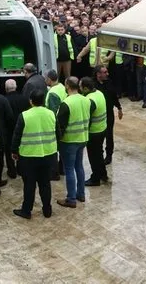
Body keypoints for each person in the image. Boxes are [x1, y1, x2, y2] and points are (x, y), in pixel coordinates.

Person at [11, 89, 57, 219]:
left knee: (29, 185)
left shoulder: (24, 115)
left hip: (28, 157)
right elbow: (57, 133)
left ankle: (26, 210)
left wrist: (14, 151)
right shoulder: (51, 114)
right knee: (45, 184)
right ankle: (47, 210)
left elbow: (17, 136)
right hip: (48, 154)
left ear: (31, 101)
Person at [56, 77, 94, 208]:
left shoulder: (66, 103)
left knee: (69, 169)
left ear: (67, 86)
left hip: (69, 141)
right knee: (79, 166)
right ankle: (81, 194)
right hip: (83, 138)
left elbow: (60, 125)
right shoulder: (86, 100)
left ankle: (71, 198)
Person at [80, 77, 108, 186]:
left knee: (93, 156)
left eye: (81, 87)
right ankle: (103, 174)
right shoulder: (99, 93)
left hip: (94, 132)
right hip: (102, 128)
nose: (80, 88)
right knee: (99, 153)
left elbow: (88, 119)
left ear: (86, 88)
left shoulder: (89, 101)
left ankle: (95, 178)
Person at [94, 65, 122, 165]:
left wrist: (119, 108)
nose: (107, 74)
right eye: (105, 72)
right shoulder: (93, 85)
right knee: (99, 136)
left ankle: (109, 155)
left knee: (109, 135)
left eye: (107, 72)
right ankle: (99, 154)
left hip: (109, 114)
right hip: (97, 115)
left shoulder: (109, 82)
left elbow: (114, 96)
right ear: (98, 74)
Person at [44, 69, 66, 180]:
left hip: (56, 124)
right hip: (64, 122)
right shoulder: (61, 87)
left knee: (53, 149)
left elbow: (53, 112)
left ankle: (54, 173)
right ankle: (62, 169)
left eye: (45, 78)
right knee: (62, 147)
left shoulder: (52, 93)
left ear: (49, 79)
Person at [4, 79, 26, 178]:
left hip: (8, 129)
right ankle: (21, 169)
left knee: (9, 150)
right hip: (22, 128)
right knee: (21, 147)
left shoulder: (4, 100)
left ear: (5, 88)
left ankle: (12, 171)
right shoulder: (24, 98)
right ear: (16, 87)